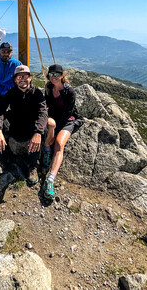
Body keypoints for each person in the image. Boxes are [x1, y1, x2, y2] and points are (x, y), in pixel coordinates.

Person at [0, 65, 48, 186]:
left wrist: (38, 132)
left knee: (43, 131)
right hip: (14, 129)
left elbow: (43, 113)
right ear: (15, 79)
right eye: (19, 77)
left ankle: (33, 167)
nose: (22, 79)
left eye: (25, 76)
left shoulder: (37, 93)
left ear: (30, 78)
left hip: (31, 130)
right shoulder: (10, 93)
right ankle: (0, 160)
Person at [42, 64, 80, 201]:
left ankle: (50, 179)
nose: (54, 77)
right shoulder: (48, 87)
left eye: (57, 74)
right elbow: (45, 105)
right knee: (50, 127)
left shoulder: (69, 92)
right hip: (52, 117)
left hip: (67, 120)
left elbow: (68, 113)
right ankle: (46, 149)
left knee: (59, 143)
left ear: (62, 76)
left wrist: (58, 130)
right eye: (51, 74)